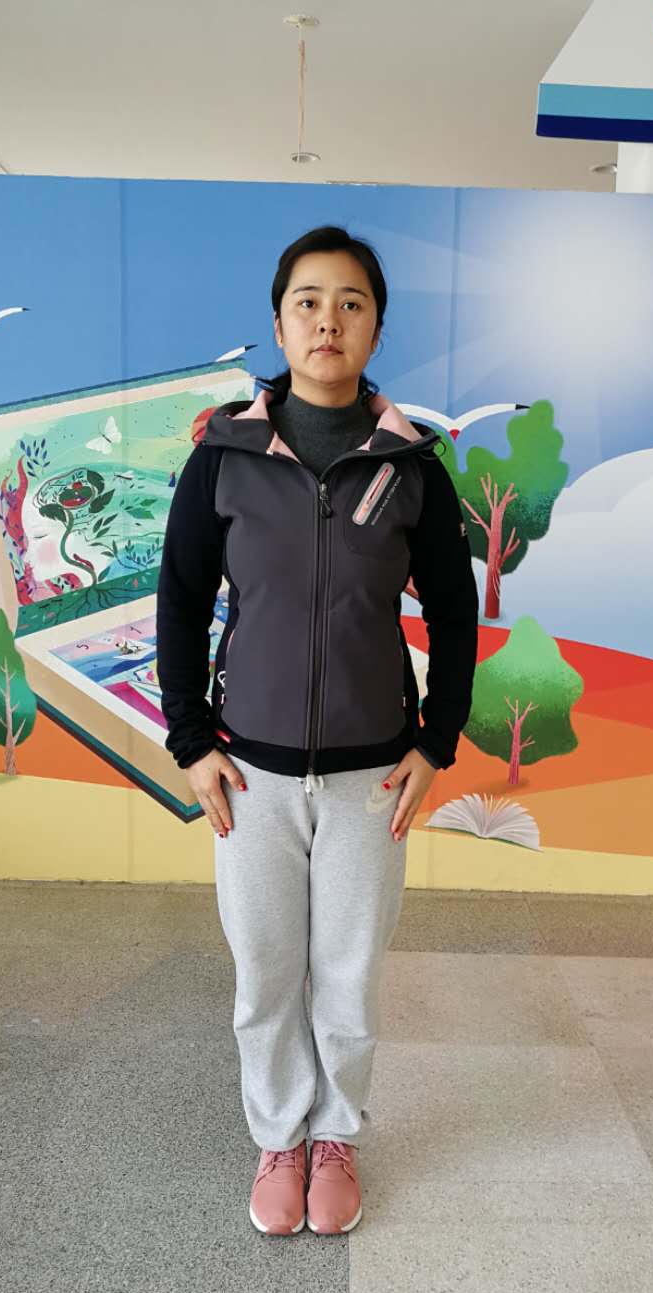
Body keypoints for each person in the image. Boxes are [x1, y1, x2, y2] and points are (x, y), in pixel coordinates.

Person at [156, 225, 478, 1236]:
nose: (327, 320)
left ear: (376, 327)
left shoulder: (413, 466)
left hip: (370, 776)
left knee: (348, 973)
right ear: (279, 322)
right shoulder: (224, 458)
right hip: (247, 774)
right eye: (308, 301)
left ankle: (335, 1134)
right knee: (265, 970)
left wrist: (436, 741)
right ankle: (278, 1138)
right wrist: (190, 740)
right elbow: (180, 600)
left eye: (350, 302)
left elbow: (455, 612)